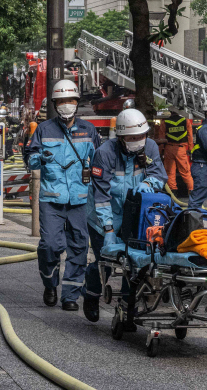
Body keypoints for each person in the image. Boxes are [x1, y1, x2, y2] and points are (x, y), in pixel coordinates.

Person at [24, 80, 101, 313]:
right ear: (55, 104)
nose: (66, 105)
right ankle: (50, 284)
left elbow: (99, 162)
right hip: (51, 197)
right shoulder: (44, 129)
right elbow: (30, 159)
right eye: (61, 101)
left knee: (78, 246)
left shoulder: (89, 130)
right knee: (49, 245)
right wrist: (41, 159)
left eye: (70, 101)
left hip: (80, 198)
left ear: (77, 103)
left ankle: (70, 295)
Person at [86, 107, 167, 323]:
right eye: (133, 137)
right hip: (103, 216)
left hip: (133, 217)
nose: (139, 141)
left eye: (141, 136)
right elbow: (101, 195)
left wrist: (150, 182)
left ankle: (126, 309)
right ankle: (91, 293)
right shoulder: (105, 153)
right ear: (121, 137)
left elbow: (159, 173)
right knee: (105, 260)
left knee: (133, 264)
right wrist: (109, 229)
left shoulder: (149, 147)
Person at [159, 104, 195, 203]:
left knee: (170, 172)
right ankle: (192, 192)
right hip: (181, 149)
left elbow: (162, 138)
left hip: (169, 148)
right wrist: (190, 149)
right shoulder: (185, 120)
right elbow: (190, 135)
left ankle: (173, 195)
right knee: (186, 172)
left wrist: (160, 151)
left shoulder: (165, 122)